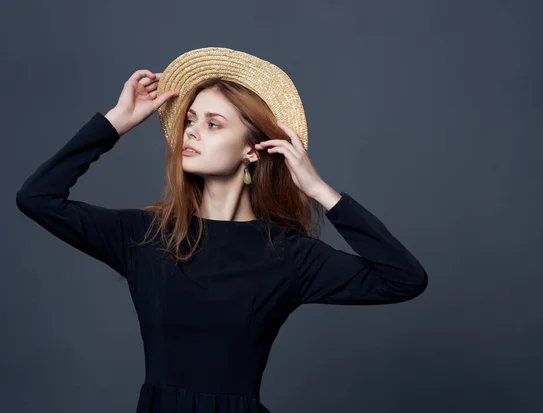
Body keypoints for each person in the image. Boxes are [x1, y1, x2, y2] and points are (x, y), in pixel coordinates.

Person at [15, 47, 428, 413]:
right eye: (190, 120)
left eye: (214, 124)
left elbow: (404, 280)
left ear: (252, 149)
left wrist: (320, 190)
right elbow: (37, 198)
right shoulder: (145, 235)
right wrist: (115, 122)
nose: (191, 131)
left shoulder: (288, 255)